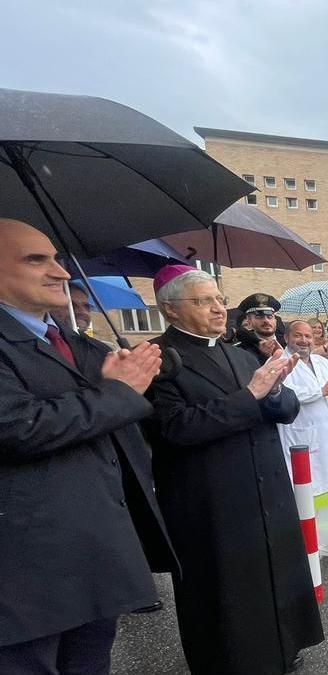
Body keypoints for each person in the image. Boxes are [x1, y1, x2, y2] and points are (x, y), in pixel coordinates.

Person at [0, 219, 176, 675]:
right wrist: (115, 392)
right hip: (26, 573)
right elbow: (18, 427)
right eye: (35, 259)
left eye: (56, 258)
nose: (60, 272)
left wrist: (122, 374)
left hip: (93, 555)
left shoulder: (74, 345)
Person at [142, 265, 323, 674]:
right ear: (170, 310)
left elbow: (286, 410)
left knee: (273, 577)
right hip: (212, 496)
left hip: (264, 489)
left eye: (219, 299)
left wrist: (275, 388)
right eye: (203, 300)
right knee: (228, 594)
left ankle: (283, 649)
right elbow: (174, 428)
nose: (218, 309)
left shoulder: (239, 353)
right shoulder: (159, 359)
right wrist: (253, 394)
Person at [278, 319, 328, 495]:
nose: (304, 340)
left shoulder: (321, 362)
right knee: (310, 495)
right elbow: (285, 394)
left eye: (308, 336)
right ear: (286, 337)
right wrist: (322, 391)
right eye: (298, 335)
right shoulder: (280, 363)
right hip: (302, 439)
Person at [234, 292, 283, 365]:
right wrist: (263, 356)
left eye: (270, 317)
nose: (266, 321)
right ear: (249, 323)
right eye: (260, 317)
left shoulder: (288, 345)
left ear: (275, 321)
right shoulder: (240, 351)